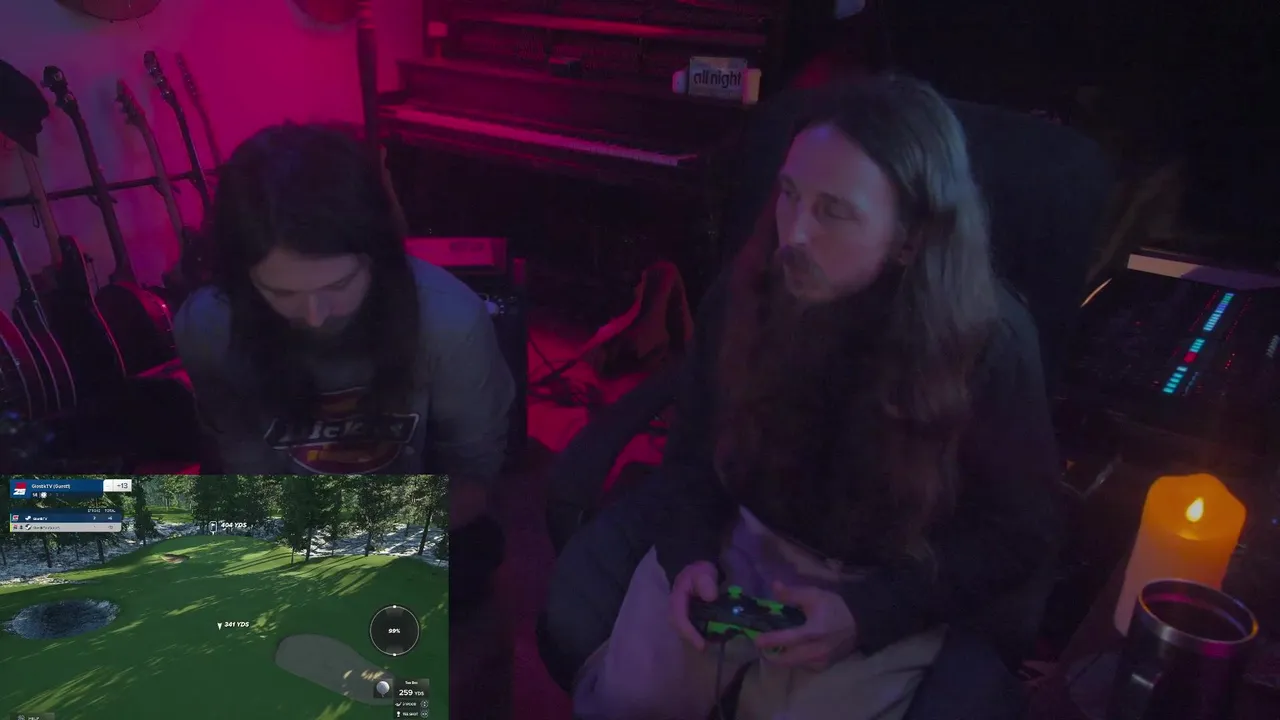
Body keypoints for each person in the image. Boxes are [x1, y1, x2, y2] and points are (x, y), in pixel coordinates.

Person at [572, 76, 1061, 720]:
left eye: (834, 211)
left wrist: (869, 613)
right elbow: (691, 453)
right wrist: (688, 553)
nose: (793, 235)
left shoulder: (988, 346)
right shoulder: (749, 290)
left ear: (910, 237)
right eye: (789, 194)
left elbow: (1018, 532)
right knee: (632, 702)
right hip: (743, 536)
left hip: (884, 576)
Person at [173, 123, 514, 530]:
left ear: (377, 257)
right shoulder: (208, 325)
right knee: (108, 521)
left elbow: (472, 480)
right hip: (287, 520)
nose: (315, 316)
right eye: (281, 292)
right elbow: (247, 472)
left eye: (338, 285)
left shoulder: (451, 320)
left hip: (414, 520)